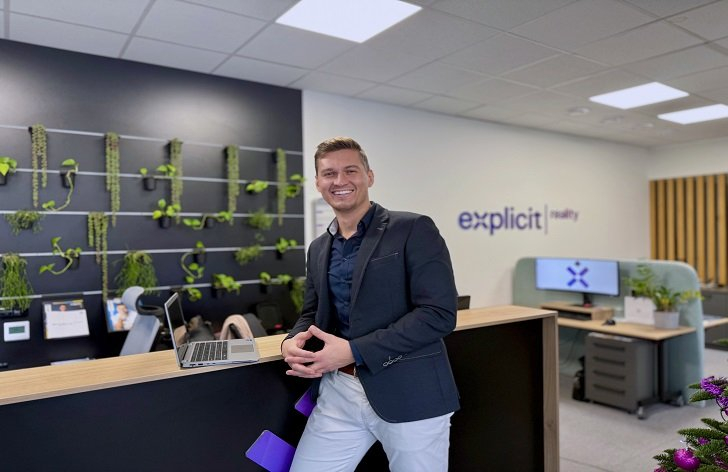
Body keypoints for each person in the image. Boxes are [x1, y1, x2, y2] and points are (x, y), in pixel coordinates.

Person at [281, 137, 460, 471]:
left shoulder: (413, 229)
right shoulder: (319, 248)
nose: (340, 180)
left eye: (351, 170)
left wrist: (354, 351)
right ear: (318, 182)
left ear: (369, 176)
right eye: (329, 173)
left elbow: (438, 314)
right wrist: (291, 341)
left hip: (410, 393)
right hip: (338, 393)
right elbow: (312, 313)